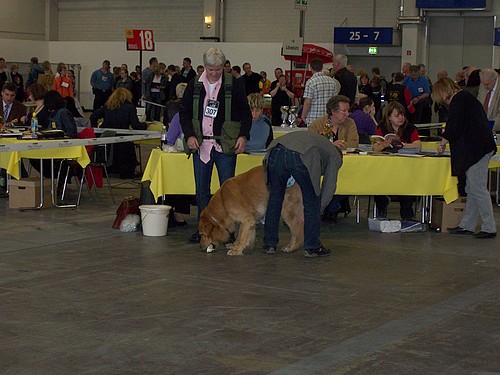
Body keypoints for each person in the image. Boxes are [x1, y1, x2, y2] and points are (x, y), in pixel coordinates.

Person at [180, 47, 252, 243]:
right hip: (202, 145)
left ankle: (228, 230)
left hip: (225, 145)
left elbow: (245, 113)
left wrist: (243, 136)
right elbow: (184, 113)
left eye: (218, 69)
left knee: (227, 190)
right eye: (210, 69)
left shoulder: (235, 84)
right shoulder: (194, 85)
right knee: (201, 190)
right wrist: (189, 135)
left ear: (224, 67)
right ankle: (203, 229)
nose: (214, 73)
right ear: (204, 67)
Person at [433, 77, 497, 239]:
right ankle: (467, 224)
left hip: (478, 150)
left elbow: (454, 125)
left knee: (478, 188)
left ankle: (489, 226)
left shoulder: (459, 100)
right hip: (478, 149)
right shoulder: (465, 98)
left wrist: (442, 142)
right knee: (472, 188)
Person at [262, 131, 343, 257]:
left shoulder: (319, 142)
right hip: (301, 155)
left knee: (275, 199)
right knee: (312, 201)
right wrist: (317, 210)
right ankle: (312, 247)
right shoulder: (335, 156)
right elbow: (328, 188)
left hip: (275, 150)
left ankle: (269, 244)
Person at [308, 95, 359, 222]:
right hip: (323, 164)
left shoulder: (350, 123)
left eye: (348, 110)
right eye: (344, 111)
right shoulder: (317, 124)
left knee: (347, 178)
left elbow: (354, 143)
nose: (347, 114)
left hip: (346, 163)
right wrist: (330, 146)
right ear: (333, 111)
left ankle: (333, 207)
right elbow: (310, 143)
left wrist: (339, 145)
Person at [372, 101, 421, 221]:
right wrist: (384, 144)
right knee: (376, 182)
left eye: (402, 115)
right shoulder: (382, 128)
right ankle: (382, 207)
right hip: (386, 167)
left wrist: (403, 145)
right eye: (397, 115)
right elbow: (375, 147)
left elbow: (418, 145)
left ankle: (407, 215)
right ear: (389, 117)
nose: (401, 118)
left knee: (407, 183)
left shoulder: (410, 128)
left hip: (405, 167)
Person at [90, 88, 147, 179]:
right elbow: (136, 125)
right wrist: (145, 125)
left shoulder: (108, 106)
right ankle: (125, 172)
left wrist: (96, 131)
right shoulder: (130, 107)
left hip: (107, 137)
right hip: (123, 138)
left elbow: (93, 116)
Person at [164, 83, 190, 227]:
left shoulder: (177, 115)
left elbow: (170, 140)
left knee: (178, 180)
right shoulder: (182, 116)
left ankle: (177, 213)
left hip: (181, 160)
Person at [301, 58, 337, 127]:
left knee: (313, 137)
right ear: (322, 67)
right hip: (328, 118)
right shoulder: (332, 81)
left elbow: (308, 102)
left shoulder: (311, 82)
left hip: (314, 118)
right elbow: (334, 101)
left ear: (310, 68)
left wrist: (303, 115)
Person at [477, 68, 500, 132]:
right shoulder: (483, 85)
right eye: (483, 84)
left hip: (495, 129)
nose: (484, 87)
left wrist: (488, 127)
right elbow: (478, 105)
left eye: (487, 84)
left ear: (495, 79)